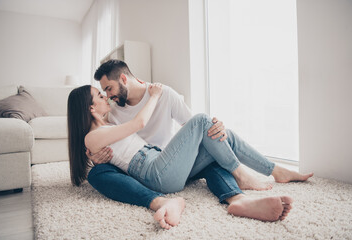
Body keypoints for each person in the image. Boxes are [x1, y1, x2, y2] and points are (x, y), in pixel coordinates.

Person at [86, 60, 313, 229]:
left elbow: (195, 127)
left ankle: (248, 193)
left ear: (123, 79)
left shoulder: (165, 94)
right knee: (207, 130)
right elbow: (109, 143)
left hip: (173, 159)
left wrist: (217, 129)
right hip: (152, 169)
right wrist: (94, 156)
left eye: (109, 89)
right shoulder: (112, 113)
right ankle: (242, 175)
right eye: (103, 93)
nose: (108, 96)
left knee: (218, 134)